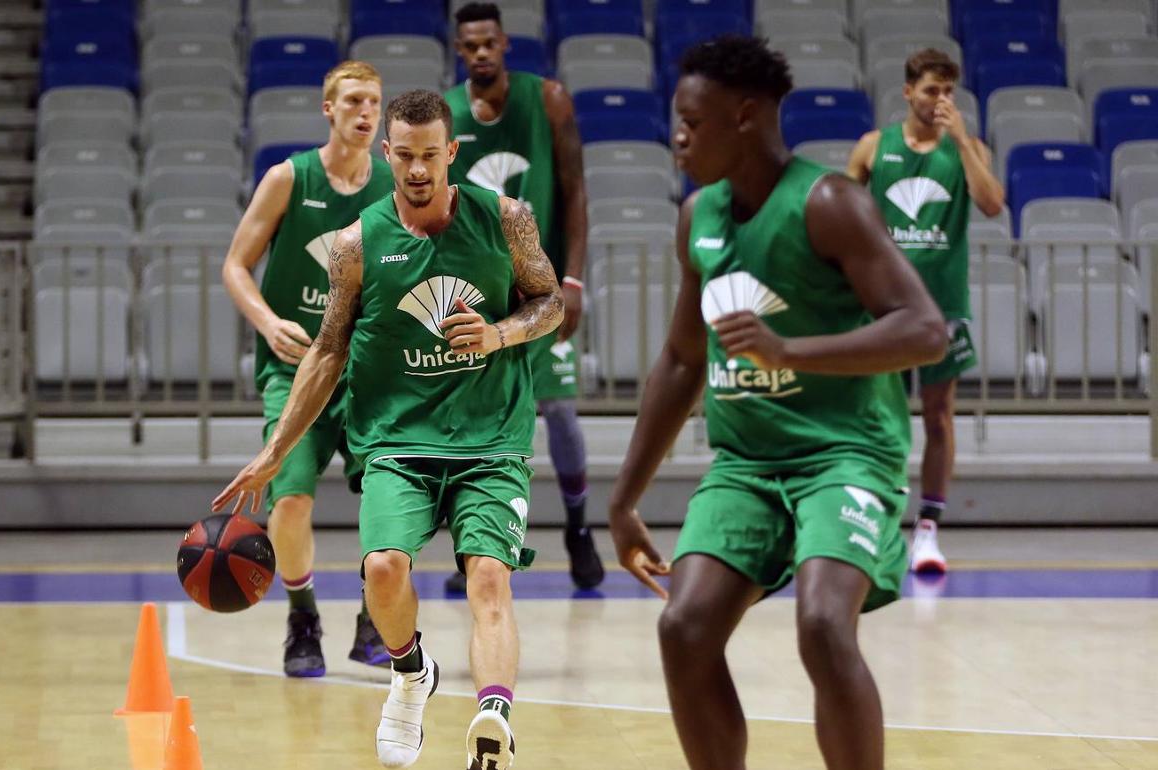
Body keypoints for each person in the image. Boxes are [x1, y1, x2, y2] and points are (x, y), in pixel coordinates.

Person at [607, 36, 947, 770]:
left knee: (824, 624)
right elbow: (680, 358)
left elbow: (924, 330)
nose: (678, 138)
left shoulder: (830, 203)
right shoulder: (697, 215)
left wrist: (791, 352)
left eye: (692, 123)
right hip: (747, 462)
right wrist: (625, 495)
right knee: (684, 627)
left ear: (745, 116)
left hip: (845, 452)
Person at [213, 89, 564, 770]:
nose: (417, 169)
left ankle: (493, 720)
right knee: (381, 570)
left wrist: (498, 333)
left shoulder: (507, 218)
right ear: (388, 155)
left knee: (489, 576)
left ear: (452, 153)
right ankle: (411, 673)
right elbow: (326, 351)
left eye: (431, 155)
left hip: (490, 437)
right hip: (398, 440)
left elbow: (549, 301)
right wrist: (273, 451)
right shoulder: (356, 244)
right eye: (404, 155)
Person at [220, 60, 393, 675]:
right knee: (289, 501)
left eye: (373, 101)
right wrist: (268, 321)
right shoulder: (289, 177)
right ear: (329, 108)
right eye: (352, 101)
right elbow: (236, 266)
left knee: (391, 499)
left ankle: (376, 618)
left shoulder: (396, 186)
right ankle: (303, 618)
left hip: (370, 374)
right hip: (293, 370)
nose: (365, 112)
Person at [442, 1, 604, 592]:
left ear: (505, 44)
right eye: (470, 45)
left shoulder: (549, 99)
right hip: (478, 299)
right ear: (459, 50)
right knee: (474, 423)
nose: (480, 53)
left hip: (542, 289)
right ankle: (476, 547)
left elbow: (576, 191)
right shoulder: (448, 115)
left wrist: (574, 278)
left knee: (559, 411)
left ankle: (580, 528)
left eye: (489, 43)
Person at [846, 48, 1005, 574]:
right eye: (932, 90)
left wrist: (961, 141)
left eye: (949, 93)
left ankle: (929, 531)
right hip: (885, 306)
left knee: (938, 416)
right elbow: (843, 214)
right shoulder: (874, 147)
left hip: (943, 306)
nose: (941, 101)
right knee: (877, 417)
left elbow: (991, 203)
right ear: (908, 91)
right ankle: (873, 520)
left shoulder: (967, 148)